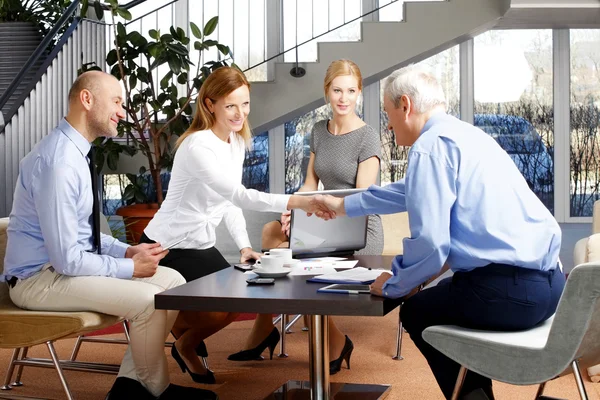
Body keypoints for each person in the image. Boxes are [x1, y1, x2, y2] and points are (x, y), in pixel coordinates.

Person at [313, 65, 565, 400]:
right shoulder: (468, 136)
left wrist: (394, 284)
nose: (387, 125)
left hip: (512, 293)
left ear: (406, 105)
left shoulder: (429, 147)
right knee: (448, 293)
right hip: (554, 289)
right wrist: (341, 206)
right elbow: (408, 191)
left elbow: (433, 245)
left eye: (388, 114)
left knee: (418, 310)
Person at [1, 71, 217, 400]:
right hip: (38, 281)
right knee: (148, 302)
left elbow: (86, 235)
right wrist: (131, 269)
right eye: (116, 101)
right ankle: (153, 391)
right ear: (87, 100)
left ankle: (132, 389)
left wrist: (129, 252)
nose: (122, 111)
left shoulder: (76, 154)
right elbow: (67, 260)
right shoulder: (58, 163)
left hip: (57, 272)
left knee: (172, 281)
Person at [141, 66, 328, 384]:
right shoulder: (197, 146)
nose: (240, 113)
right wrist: (296, 202)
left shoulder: (235, 142)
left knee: (238, 299)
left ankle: (184, 340)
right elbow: (238, 195)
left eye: (245, 104)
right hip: (167, 245)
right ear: (210, 104)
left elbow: (226, 203)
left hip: (199, 243)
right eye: (230, 105)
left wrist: (243, 246)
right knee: (217, 308)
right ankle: (185, 341)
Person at [243, 59, 382, 375]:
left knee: (295, 262)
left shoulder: (368, 137)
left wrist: (315, 212)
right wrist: (294, 210)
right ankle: (265, 325)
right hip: (321, 218)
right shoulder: (319, 130)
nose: (343, 98)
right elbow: (309, 185)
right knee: (270, 232)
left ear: (359, 93)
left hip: (355, 226)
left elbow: (361, 197)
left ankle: (335, 340)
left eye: (350, 90)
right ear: (327, 92)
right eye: (337, 90)